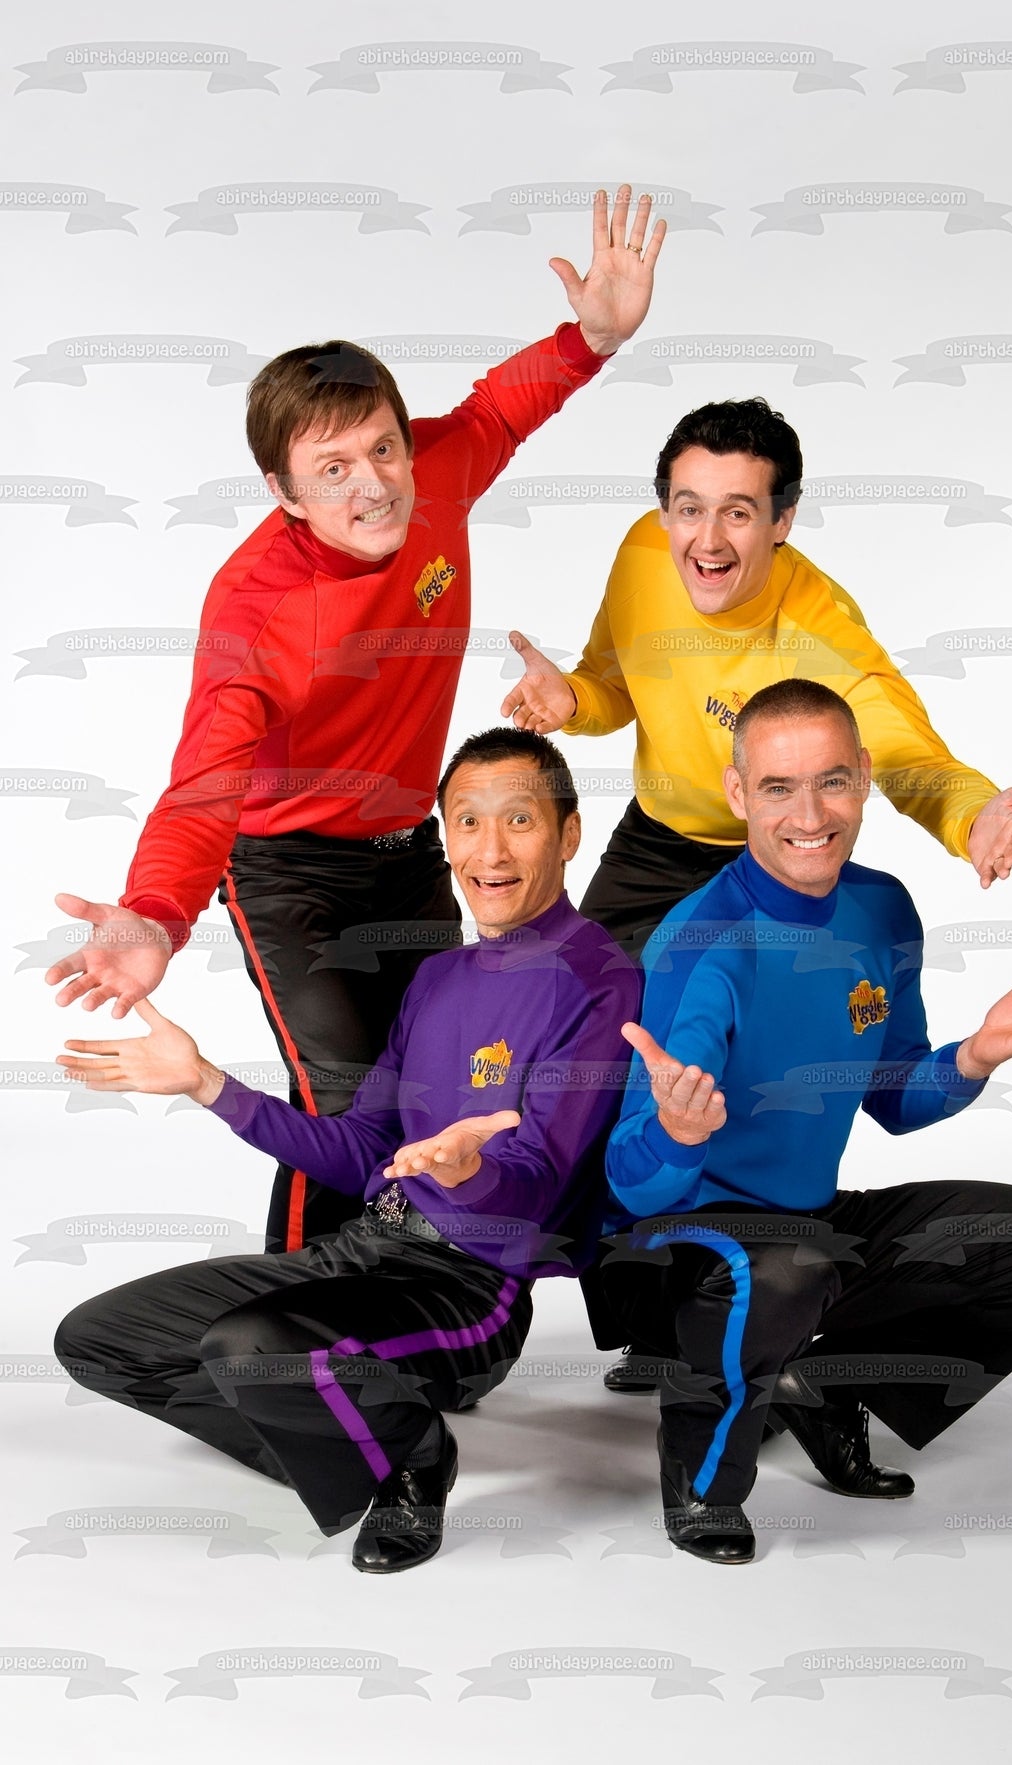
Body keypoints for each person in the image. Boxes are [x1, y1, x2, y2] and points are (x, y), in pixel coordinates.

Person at [46, 186, 666, 1256]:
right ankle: (297, 1303)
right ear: (285, 492)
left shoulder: (432, 479)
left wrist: (590, 339)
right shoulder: (257, 612)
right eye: (332, 471)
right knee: (341, 1101)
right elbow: (204, 786)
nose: (372, 486)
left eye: (383, 449)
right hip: (291, 874)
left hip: (410, 851)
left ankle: (417, 1296)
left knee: (425, 1094)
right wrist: (155, 914)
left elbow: (496, 412)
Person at [500, 396, 1012, 1392]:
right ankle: (627, 1307)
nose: (706, 539)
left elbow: (906, 752)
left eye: (739, 512)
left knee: (727, 1078)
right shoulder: (643, 554)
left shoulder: (822, 629)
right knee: (582, 1065)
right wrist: (571, 701)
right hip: (655, 842)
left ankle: (723, 1306)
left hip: (772, 862)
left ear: (783, 520)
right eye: (688, 507)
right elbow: (616, 681)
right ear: (664, 507)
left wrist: (972, 815)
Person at [54, 730, 641, 1574]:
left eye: (519, 820)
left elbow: (540, 1192)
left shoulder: (597, 979)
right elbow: (361, 1148)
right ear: (446, 838)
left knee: (251, 1347)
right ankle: (341, 1442)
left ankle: (416, 1457)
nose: (491, 850)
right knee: (100, 1339)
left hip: (468, 1289)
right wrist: (209, 1084)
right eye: (468, 822)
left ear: (568, 834)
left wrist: (468, 1170)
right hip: (366, 1247)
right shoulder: (440, 977)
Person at [600, 679, 1012, 1565]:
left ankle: (822, 1384)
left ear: (866, 777)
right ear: (738, 794)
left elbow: (892, 1095)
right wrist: (679, 1132)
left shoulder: (881, 908)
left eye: (833, 781)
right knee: (786, 1268)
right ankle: (701, 1478)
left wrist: (972, 1057)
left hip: (809, 1219)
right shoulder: (704, 940)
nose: (811, 814)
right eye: (778, 787)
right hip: (681, 1237)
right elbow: (630, 1181)